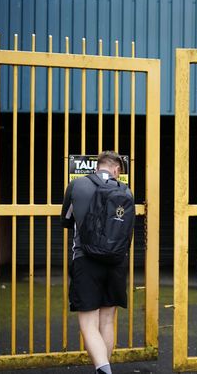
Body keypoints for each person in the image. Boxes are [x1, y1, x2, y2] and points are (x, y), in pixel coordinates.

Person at [60, 151, 131, 374]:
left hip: (85, 260)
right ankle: (103, 368)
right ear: (117, 170)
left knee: (89, 323)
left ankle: (103, 369)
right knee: (107, 321)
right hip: (116, 262)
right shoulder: (125, 190)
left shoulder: (77, 185)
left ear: (96, 166)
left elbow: (66, 221)